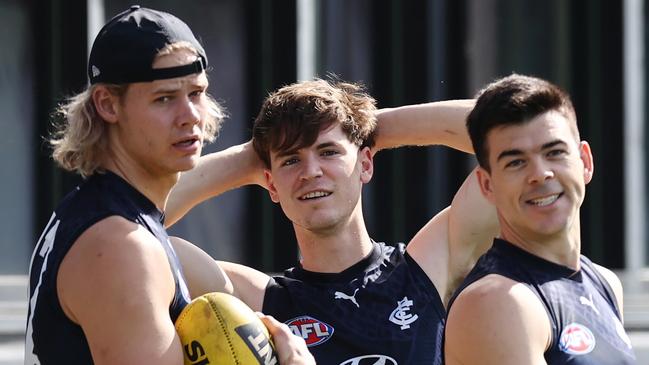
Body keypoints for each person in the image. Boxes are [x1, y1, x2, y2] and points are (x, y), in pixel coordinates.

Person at [25, 6, 313, 364]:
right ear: (107, 104)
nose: (190, 115)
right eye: (164, 98)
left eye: (196, 93)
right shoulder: (120, 248)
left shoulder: (105, 214)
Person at [166, 78, 499, 364]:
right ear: (270, 184)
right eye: (292, 160)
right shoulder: (258, 301)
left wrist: (371, 128)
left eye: (328, 152)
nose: (311, 172)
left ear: (366, 165)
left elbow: (517, 132)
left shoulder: (425, 268)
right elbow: (129, 222)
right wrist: (248, 161)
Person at [443, 74, 637, 364]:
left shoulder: (604, 283)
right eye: (516, 162)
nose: (540, 174)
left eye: (554, 152)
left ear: (585, 162)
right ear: (487, 185)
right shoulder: (497, 302)